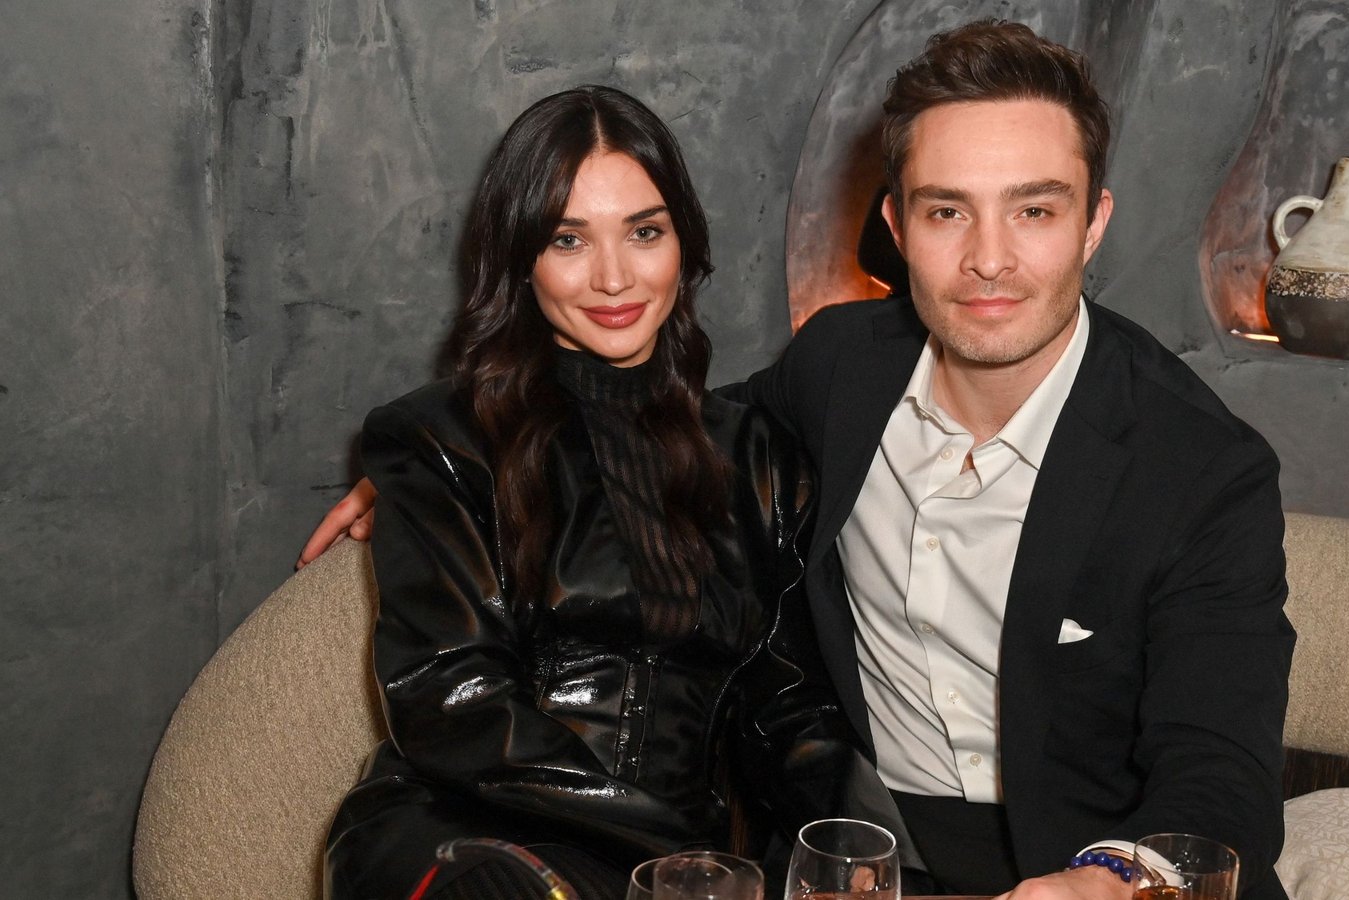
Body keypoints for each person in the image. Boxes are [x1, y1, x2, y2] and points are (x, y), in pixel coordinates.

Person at [306, 21, 1295, 900]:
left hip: (1075, 861)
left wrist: (1117, 878)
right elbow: (646, 432)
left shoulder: (1202, 470)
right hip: (840, 849)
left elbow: (1220, 771)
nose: (989, 259)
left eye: (1034, 210)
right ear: (897, 225)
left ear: (1094, 222)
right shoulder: (839, 373)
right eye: (947, 211)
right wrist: (450, 450)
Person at [320, 85, 920, 900]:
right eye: (568, 239)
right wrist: (685, 845)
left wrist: (877, 863)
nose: (613, 277)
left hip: (678, 867)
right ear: (520, 257)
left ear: (684, 243)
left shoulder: (758, 460)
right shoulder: (440, 439)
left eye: (644, 232)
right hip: (467, 836)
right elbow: (456, 703)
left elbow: (794, 713)